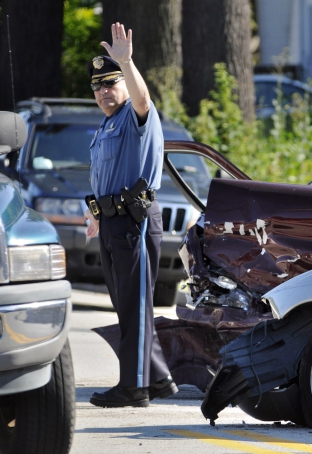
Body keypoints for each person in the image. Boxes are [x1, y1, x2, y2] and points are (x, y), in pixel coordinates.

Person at [85, 22, 177, 408]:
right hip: (111, 222)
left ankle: (133, 388)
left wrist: (129, 62)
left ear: (124, 83)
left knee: (135, 306)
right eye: (98, 86)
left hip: (134, 222)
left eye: (112, 81)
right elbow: (105, 174)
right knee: (126, 304)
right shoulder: (106, 125)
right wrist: (95, 216)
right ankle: (158, 379)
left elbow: (143, 100)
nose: (105, 91)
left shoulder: (134, 117)